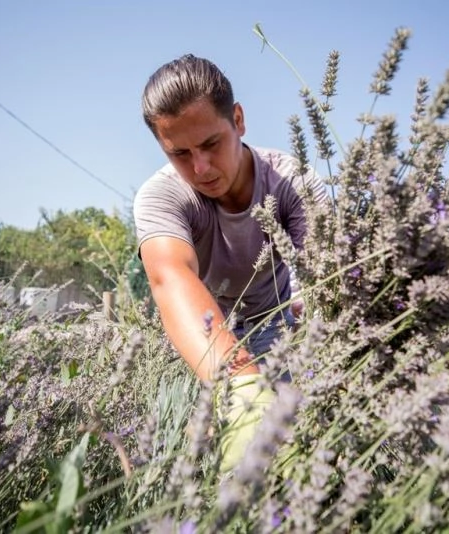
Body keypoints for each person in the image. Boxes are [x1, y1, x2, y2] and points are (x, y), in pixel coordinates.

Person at [132, 54, 328, 471]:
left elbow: (323, 272)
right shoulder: (162, 197)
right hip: (202, 331)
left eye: (210, 144)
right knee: (189, 455)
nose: (200, 168)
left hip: (276, 322)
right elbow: (170, 277)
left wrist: (311, 309)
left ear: (237, 120)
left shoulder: (294, 183)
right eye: (180, 153)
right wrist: (241, 384)